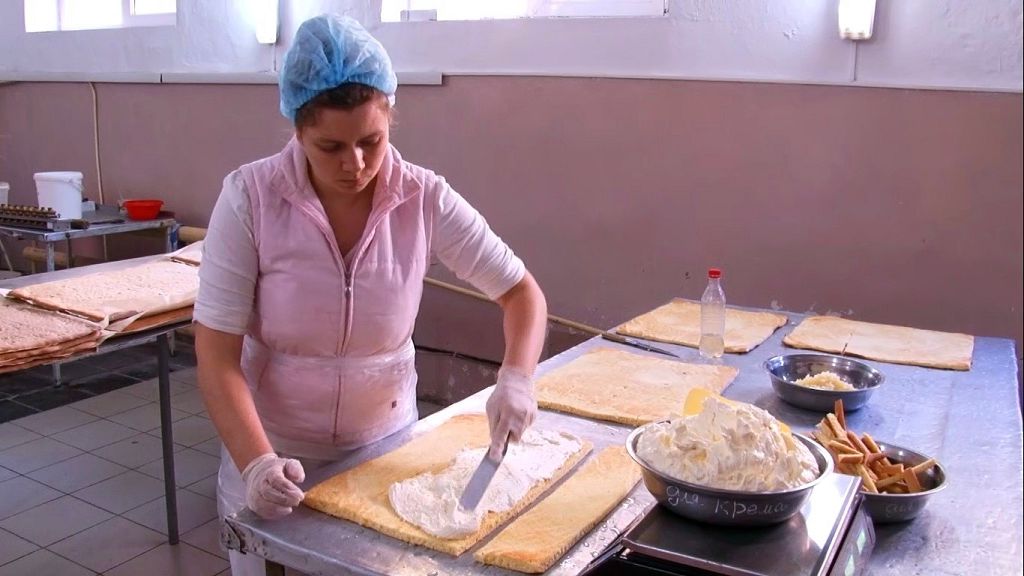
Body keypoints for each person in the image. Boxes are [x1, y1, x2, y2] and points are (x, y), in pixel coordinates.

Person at [193, 14, 548, 576]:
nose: (354, 164)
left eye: (371, 141)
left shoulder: (423, 197)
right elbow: (216, 354)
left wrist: (517, 377)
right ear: (297, 130)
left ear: (390, 118)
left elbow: (521, 293)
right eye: (330, 146)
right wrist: (256, 463)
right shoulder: (251, 198)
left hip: (383, 452)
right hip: (273, 445)